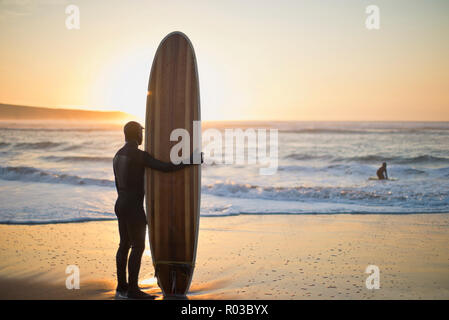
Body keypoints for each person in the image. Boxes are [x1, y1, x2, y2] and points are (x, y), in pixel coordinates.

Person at [113, 121, 201, 299]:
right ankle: (133, 290)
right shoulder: (138, 155)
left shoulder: (118, 154)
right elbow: (166, 168)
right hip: (133, 206)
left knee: (124, 245)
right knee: (138, 246)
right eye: (141, 133)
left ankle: (121, 286)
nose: (142, 136)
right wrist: (191, 160)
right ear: (137, 135)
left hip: (120, 203)